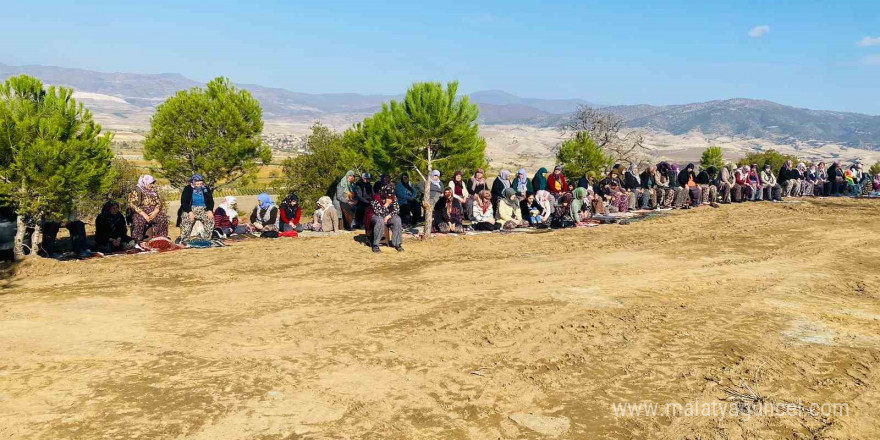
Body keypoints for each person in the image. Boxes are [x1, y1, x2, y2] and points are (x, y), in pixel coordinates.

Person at [129, 174, 169, 242]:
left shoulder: (153, 191)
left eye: (153, 183)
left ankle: (160, 240)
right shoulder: (136, 190)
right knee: (138, 221)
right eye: (150, 183)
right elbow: (132, 204)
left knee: (162, 218)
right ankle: (137, 241)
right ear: (145, 182)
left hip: (153, 212)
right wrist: (144, 215)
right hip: (140, 212)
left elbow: (159, 202)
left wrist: (155, 212)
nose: (152, 185)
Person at [177, 173, 214, 244]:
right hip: (190, 208)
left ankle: (206, 239)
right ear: (193, 181)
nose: (199, 183)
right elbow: (184, 202)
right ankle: (185, 239)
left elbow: (211, 201)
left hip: (203, 209)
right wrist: (190, 212)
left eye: (201, 182)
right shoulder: (188, 188)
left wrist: (210, 210)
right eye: (197, 182)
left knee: (210, 219)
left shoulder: (205, 189)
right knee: (186, 218)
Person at [368, 184, 403, 252]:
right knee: (380, 220)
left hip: (388, 215)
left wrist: (388, 217)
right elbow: (378, 212)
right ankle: (375, 244)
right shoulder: (376, 197)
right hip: (374, 215)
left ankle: (397, 243)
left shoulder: (393, 197)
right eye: (388, 195)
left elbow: (397, 210)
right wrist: (387, 204)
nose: (389, 196)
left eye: (391, 195)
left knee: (397, 219)